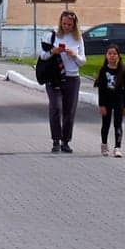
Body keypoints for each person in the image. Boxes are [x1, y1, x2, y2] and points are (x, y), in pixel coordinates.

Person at [44, 10, 86, 153]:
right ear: (60, 22)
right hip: (54, 77)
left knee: (69, 111)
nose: (66, 26)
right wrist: (53, 52)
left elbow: (83, 61)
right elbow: (42, 56)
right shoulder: (53, 35)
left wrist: (74, 55)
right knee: (56, 107)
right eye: (64, 23)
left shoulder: (78, 38)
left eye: (69, 24)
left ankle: (65, 141)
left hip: (72, 78)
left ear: (74, 25)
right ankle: (55, 140)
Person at [94, 44, 125, 157]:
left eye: (114, 54)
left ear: (118, 56)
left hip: (118, 101)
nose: (112, 56)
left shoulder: (122, 71)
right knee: (106, 124)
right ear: (106, 56)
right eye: (109, 53)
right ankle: (104, 145)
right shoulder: (103, 70)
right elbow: (101, 90)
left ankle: (117, 147)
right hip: (106, 101)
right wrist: (101, 105)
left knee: (118, 124)